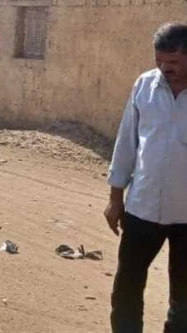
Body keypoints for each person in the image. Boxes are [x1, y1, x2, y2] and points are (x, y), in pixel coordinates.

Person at [106, 22, 187, 333]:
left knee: (184, 297)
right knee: (127, 286)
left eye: (174, 63)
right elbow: (126, 144)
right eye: (160, 61)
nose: (165, 68)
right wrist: (115, 199)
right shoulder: (144, 86)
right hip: (142, 208)